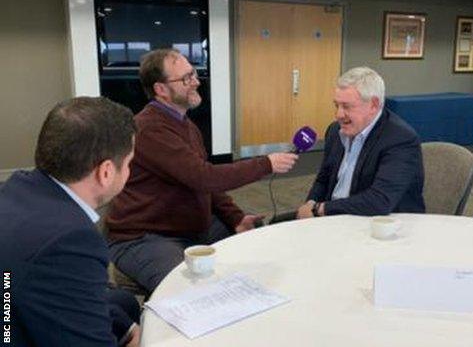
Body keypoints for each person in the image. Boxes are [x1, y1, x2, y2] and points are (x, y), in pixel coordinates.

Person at [106, 48, 298, 293]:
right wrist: (265, 163)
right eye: (186, 78)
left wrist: (235, 218)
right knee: (188, 292)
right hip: (145, 237)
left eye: (193, 73)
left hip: (189, 227)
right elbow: (204, 177)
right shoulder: (150, 128)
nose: (196, 81)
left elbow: (203, 185)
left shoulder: (185, 124)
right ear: (161, 89)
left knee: (256, 244)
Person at [0, 97, 141, 346]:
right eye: (129, 163)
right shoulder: (70, 240)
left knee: (123, 303)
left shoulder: (18, 186)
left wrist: (126, 328)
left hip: (11, 301)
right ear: (106, 172)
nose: (130, 171)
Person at [297, 67, 425, 218]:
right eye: (336, 105)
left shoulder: (400, 139)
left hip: (380, 226)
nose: (338, 114)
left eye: (347, 106)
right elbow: (324, 178)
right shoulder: (335, 131)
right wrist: (311, 203)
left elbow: (379, 201)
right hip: (335, 217)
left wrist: (319, 209)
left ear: (373, 105)